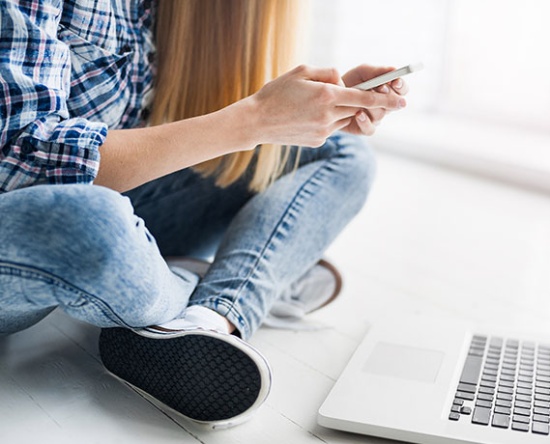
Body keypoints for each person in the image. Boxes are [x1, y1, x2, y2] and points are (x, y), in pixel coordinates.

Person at [0, 0, 408, 429]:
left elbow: (167, 137)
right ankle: (206, 278)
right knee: (89, 224)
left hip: (123, 200)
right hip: (33, 216)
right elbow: (19, 162)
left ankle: (209, 318)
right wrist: (256, 119)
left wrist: (307, 112)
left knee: (344, 152)